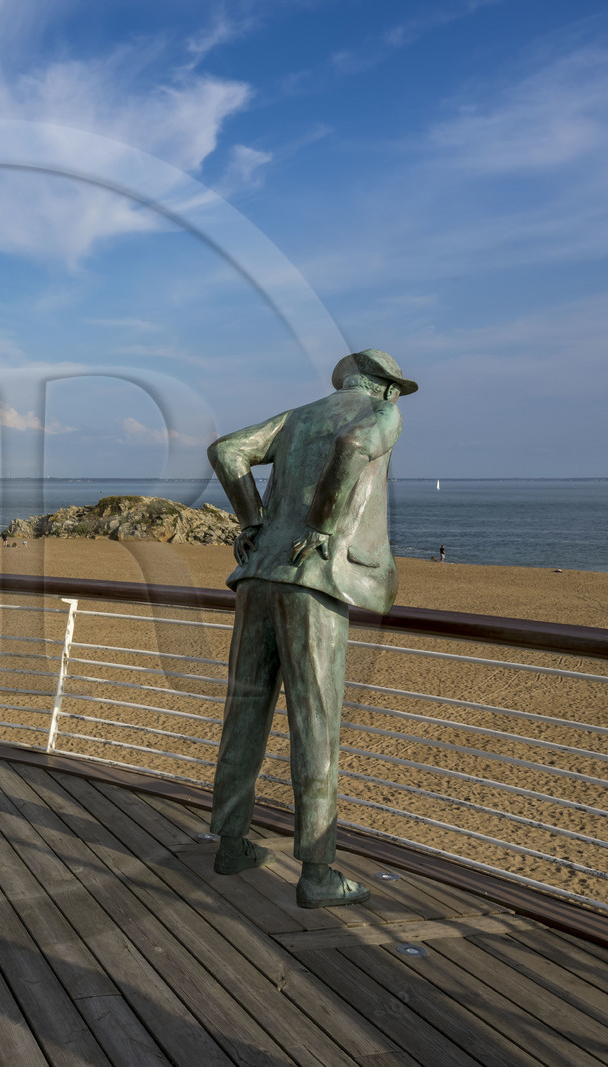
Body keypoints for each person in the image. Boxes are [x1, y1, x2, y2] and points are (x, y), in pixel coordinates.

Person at [207, 348, 416, 909]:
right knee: (315, 724)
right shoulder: (379, 415)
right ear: (384, 387)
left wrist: (253, 521)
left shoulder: (298, 416)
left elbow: (226, 452)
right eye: (394, 388)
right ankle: (318, 872)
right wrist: (323, 529)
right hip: (314, 582)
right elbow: (353, 449)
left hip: (257, 576)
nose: (395, 397)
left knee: (245, 710)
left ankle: (231, 842)